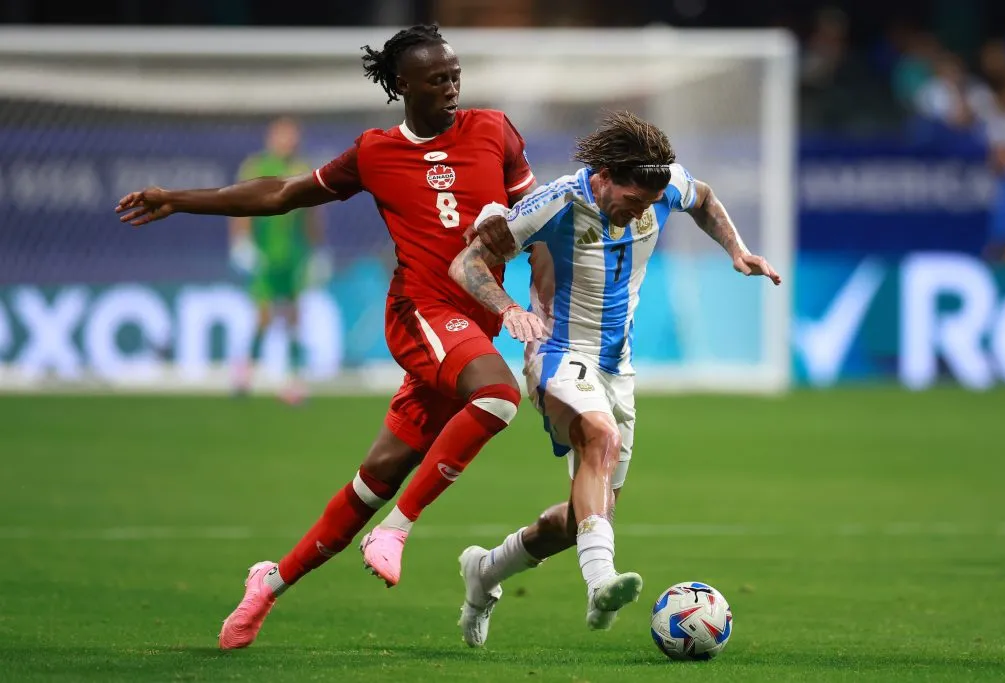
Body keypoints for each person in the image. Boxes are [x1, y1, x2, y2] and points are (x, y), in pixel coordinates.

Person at [114, 24, 536, 649]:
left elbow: (536, 219)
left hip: (473, 326)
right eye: (437, 79)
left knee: (376, 478)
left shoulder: (495, 130)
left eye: (455, 75)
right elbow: (282, 193)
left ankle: (268, 584)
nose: (452, 88)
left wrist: (544, 308)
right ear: (402, 86)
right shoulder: (374, 152)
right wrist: (179, 198)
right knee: (499, 396)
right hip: (422, 313)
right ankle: (398, 530)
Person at [447, 111, 781, 645]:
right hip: (556, 350)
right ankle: (601, 582)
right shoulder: (557, 202)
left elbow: (705, 199)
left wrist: (737, 251)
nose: (642, 211)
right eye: (633, 200)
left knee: (583, 514)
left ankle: (485, 571)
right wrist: (509, 309)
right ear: (604, 175)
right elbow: (467, 263)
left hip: (616, 365)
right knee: (600, 436)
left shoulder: (662, 184)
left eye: (650, 204)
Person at [229, 116, 330, 404]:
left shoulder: (303, 169)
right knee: (262, 316)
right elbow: (240, 207)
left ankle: (294, 380)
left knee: (294, 318)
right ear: (271, 138)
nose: (288, 140)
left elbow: (313, 213)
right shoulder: (257, 167)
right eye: (282, 135)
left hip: (294, 256)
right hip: (264, 256)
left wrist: (318, 251)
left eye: (292, 135)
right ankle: (245, 371)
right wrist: (241, 242)